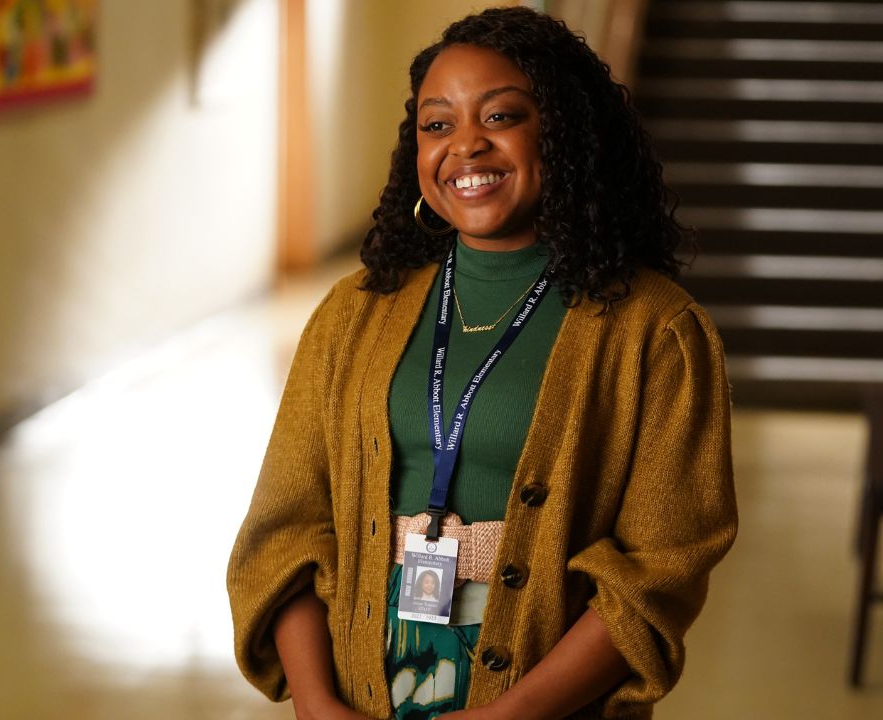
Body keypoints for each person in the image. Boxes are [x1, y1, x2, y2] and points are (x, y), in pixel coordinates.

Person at [227, 7, 736, 720]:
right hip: (359, 697)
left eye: (501, 117)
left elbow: (658, 572)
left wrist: (512, 716)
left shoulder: (655, 331)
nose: (466, 146)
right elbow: (286, 532)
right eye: (438, 124)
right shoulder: (355, 312)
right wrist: (315, 703)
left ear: (563, 132)